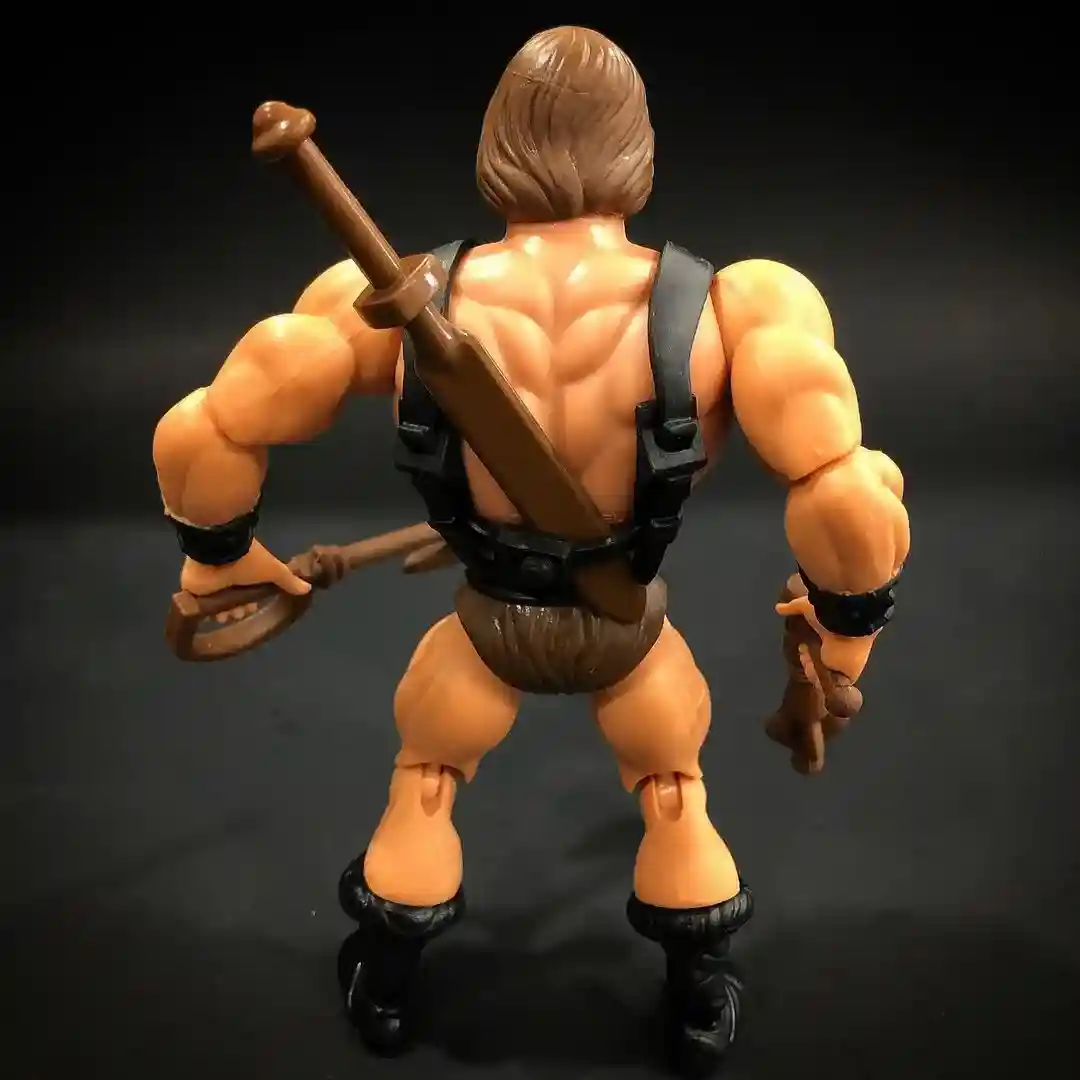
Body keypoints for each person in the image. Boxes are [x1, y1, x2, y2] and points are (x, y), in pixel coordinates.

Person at [152, 25, 910, 1077]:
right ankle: (699, 997)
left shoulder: (389, 298)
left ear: (495, 145)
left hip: (488, 623)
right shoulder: (737, 307)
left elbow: (209, 431)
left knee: (426, 779)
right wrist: (841, 643)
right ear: (638, 150)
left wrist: (220, 559)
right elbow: (849, 493)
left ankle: (386, 982)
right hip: (626, 626)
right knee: (674, 788)